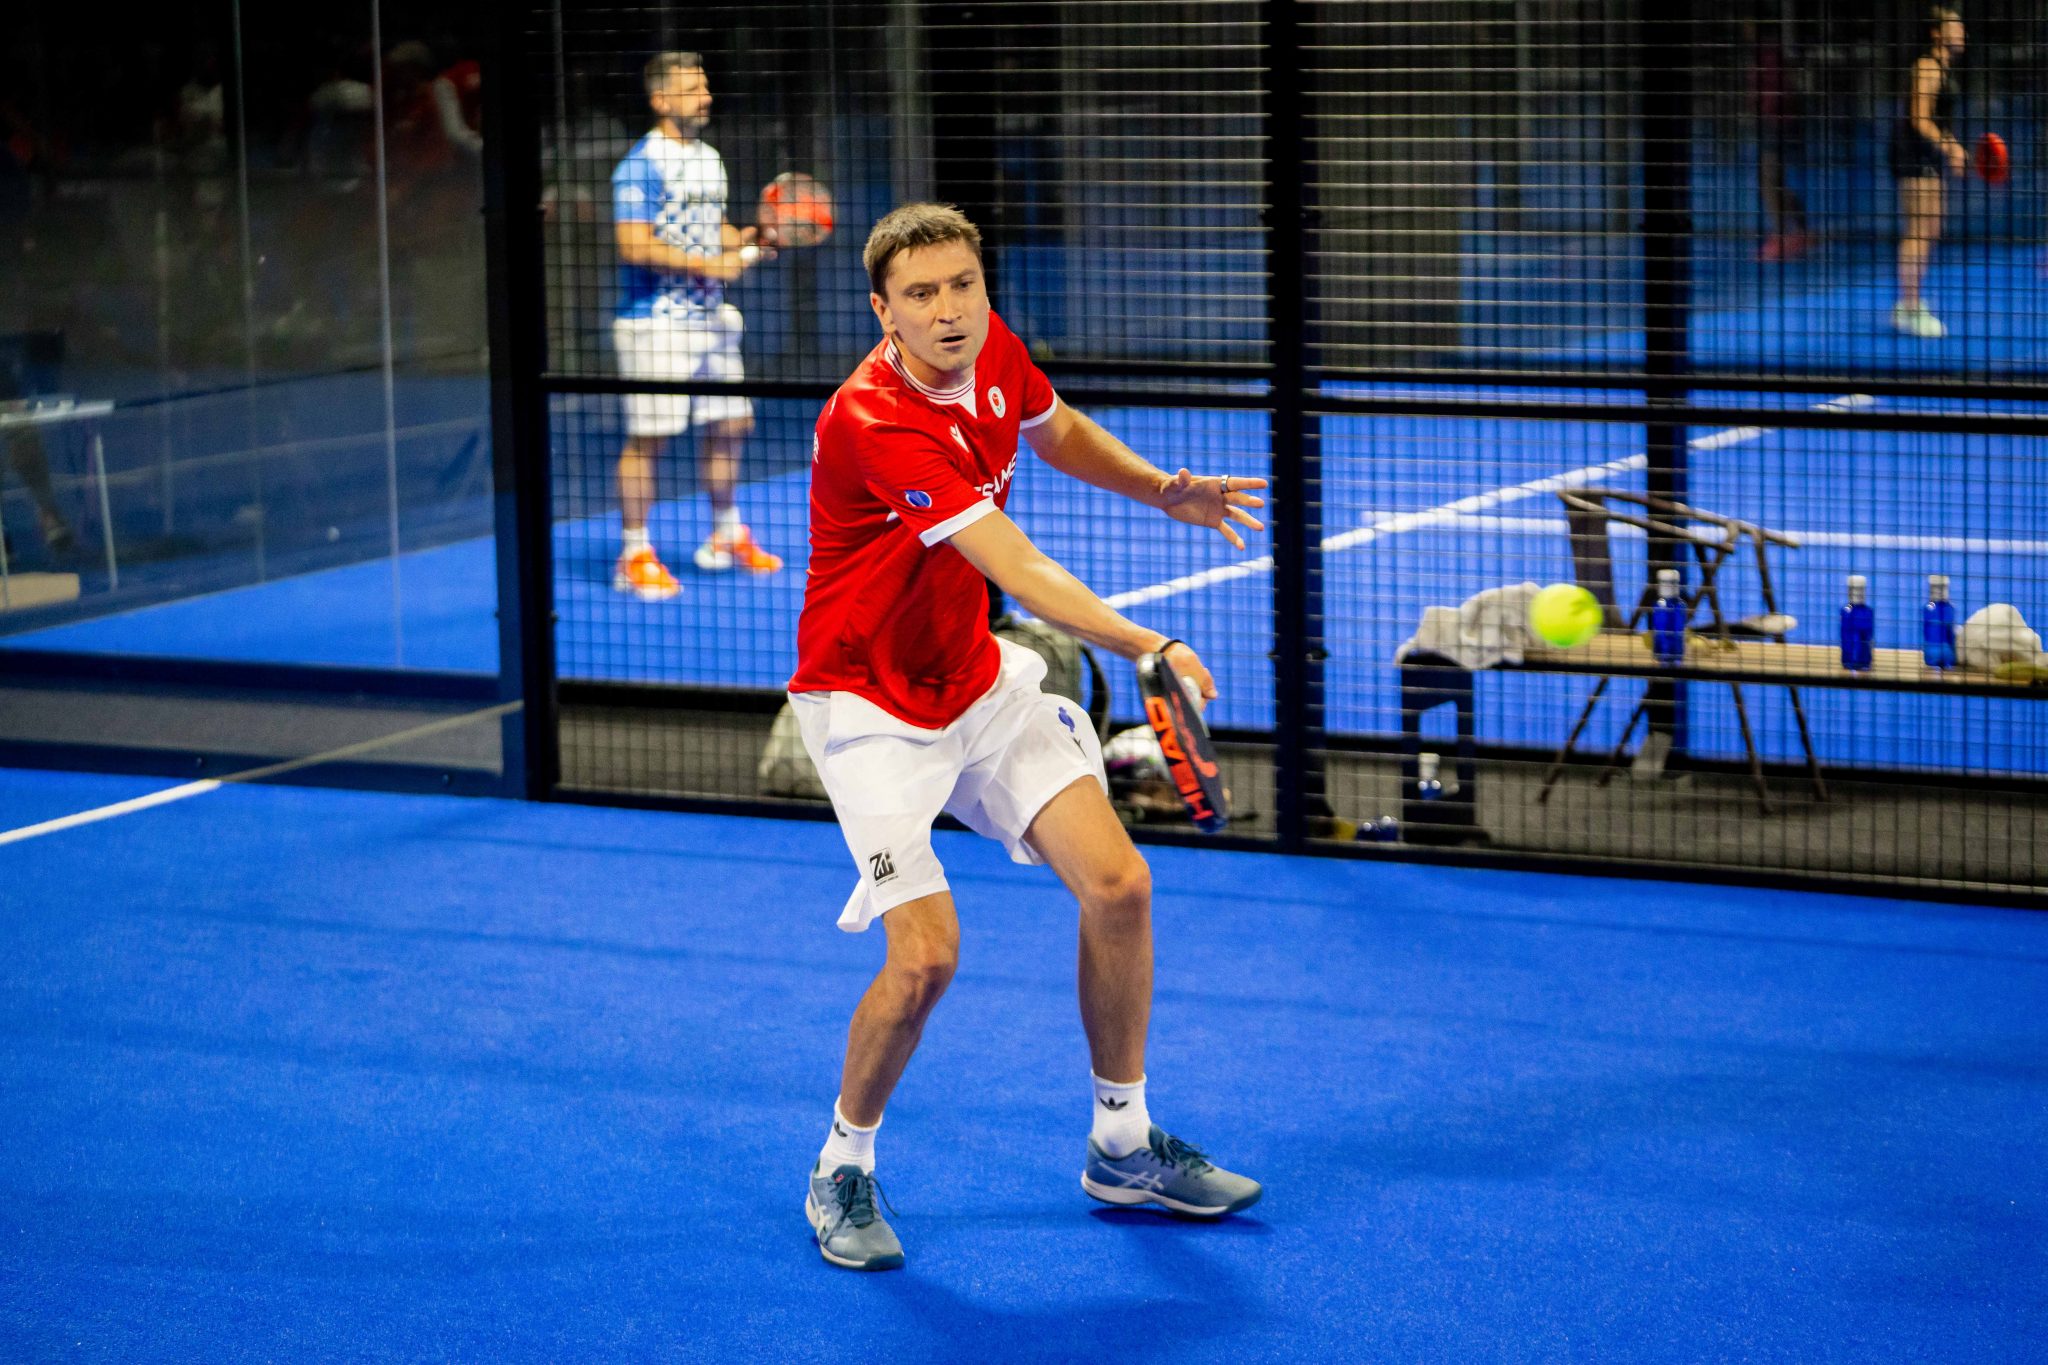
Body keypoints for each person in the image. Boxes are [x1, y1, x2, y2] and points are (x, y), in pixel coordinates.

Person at [788, 203, 1269, 1270]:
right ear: (882, 312)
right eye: (921, 294)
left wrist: (1161, 489)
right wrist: (1147, 644)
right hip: (869, 709)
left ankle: (1122, 1145)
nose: (948, 309)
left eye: (962, 284)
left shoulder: (990, 348)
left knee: (1120, 886)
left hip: (974, 680)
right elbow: (1016, 565)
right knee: (925, 959)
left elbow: (1054, 430)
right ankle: (840, 1165)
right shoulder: (873, 418)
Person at [609, 51, 779, 600]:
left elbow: (713, 229)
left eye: (704, 87)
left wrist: (747, 239)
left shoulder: (708, 158)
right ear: (660, 100)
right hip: (655, 323)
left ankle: (725, 534)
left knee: (731, 424)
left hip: (711, 320)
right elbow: (633, 244)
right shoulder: (640, 166)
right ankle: (634, 554)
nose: (705, 98)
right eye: (690, 90)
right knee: (651, 438)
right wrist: (708, 265)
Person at [1890, 7, 1968, 339]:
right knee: (1919, 231)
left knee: (1931, 228)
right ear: (1936, 33)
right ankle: (1909, 308)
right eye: (1954, 26)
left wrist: (1952, 148)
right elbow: (1919, 118)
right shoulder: (1927, 66)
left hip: (1929, 155)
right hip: (1912, 155)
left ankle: (1908, 304)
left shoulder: (1945, 68)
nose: (1961, 31)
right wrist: (1950, 148)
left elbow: (1938, 120)